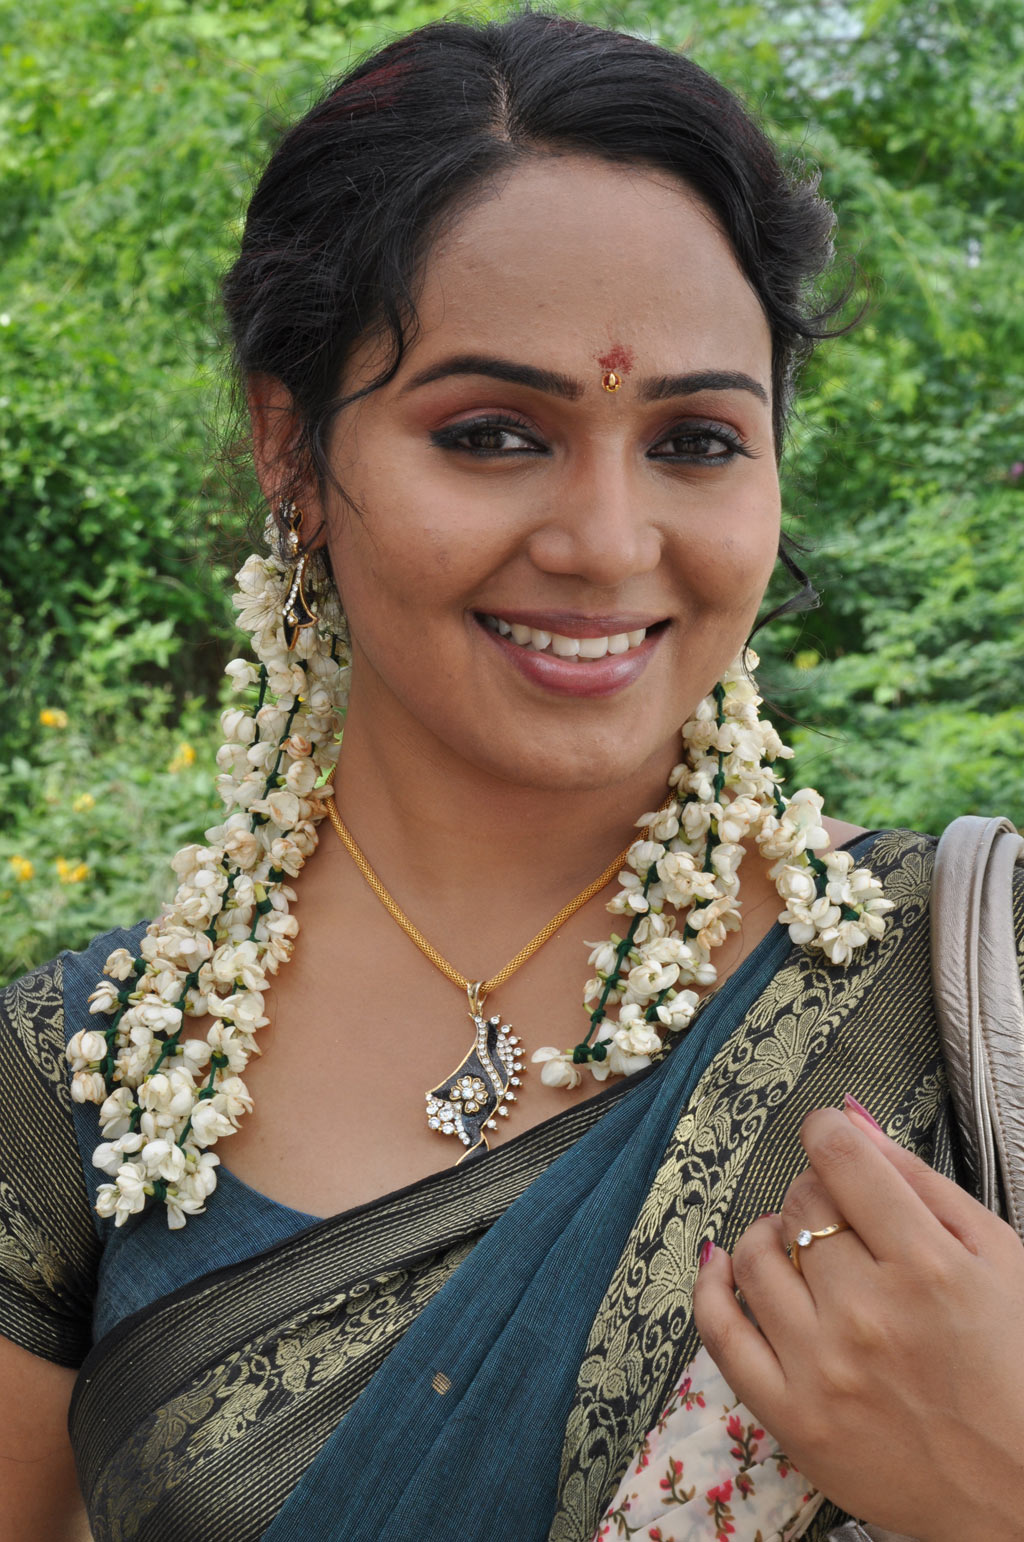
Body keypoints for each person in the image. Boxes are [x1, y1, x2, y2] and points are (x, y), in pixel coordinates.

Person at [1, 12, 1022, 1541]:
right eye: (492, 433)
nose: (607, 542)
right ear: (292, 451)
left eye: (695, 440)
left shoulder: (969, 986)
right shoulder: (86, 1081)